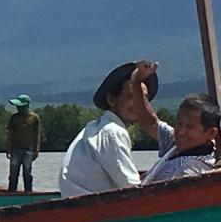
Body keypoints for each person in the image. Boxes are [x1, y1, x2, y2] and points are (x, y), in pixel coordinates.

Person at [58, 62, 159, 197]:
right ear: (111, 99)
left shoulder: (96, 127)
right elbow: (131, 187)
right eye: (131, 96)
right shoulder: (113, 132)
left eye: (143, 99)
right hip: (91, 211)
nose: (138, 103)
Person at [130, 61, 219, 184]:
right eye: (179, 124)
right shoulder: (177, 144)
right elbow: (151, 123)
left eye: (190, 127)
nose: (181, 131)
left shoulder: (190, 171)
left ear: (210, 133)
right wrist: (136, 82)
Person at [6, 94, 40, 192]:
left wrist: (36, 151)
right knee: (13, 174)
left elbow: (37, 135)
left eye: (20, 106)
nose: (18, 108)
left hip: (28, 150)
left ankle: (28, 193)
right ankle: (11, 193)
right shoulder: (14, 118)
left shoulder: (34, 118)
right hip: (15, 149)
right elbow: (10, 134)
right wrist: (8, 149)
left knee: (27, 173)